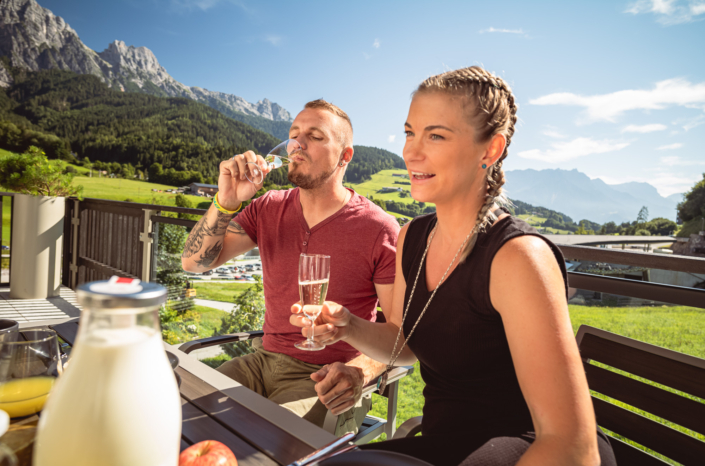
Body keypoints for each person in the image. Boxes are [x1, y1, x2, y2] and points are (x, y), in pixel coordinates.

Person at [290, 68, 617, 465]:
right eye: (410, 133)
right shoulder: (413, 237)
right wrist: (348, 325)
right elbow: (405, 345)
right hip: (444, 444)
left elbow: (573, 448)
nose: (411, 151)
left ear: (490, 150)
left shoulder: (518, 257)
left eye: (436, 135)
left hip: (527, 448)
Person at [181, 99, 399, 436]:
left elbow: (399, 334)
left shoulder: (378, 228)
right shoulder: (269, 207)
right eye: (294, 135)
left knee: (262, 447)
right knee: (177, 413)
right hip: (261, 362)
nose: (298, 145)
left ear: (345, 156)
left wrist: (360, 371)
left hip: (326, 378)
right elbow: (194, 263)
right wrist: (225, 201)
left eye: (315, 136)